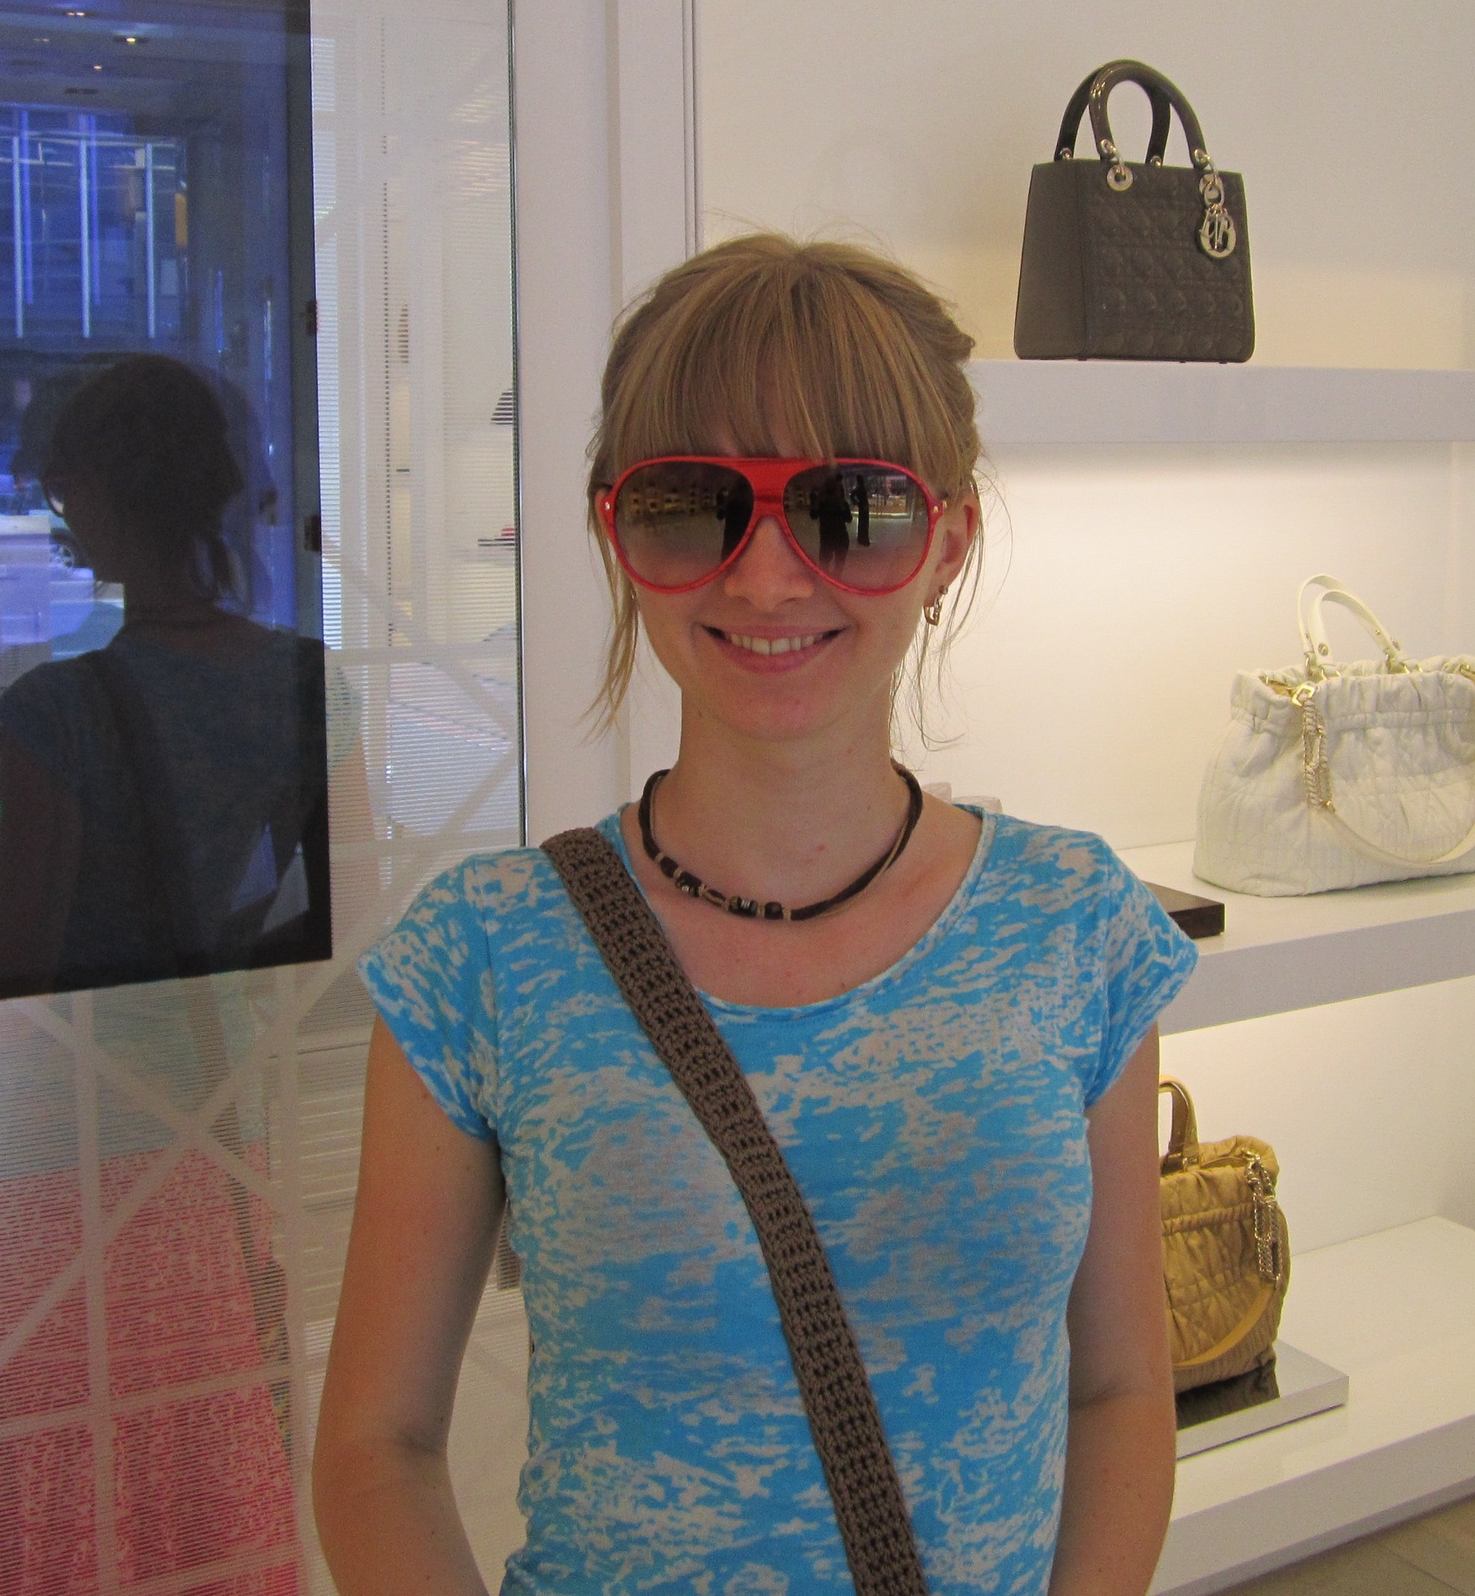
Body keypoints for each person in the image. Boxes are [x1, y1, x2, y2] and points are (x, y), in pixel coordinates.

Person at [315, 236, 1192, 1594]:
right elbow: (377, 1446)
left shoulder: (1076, 929)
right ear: (617, 535)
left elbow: (1123, 1385)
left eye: (850, 509)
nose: (768, 579)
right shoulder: (481, 957)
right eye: (693, 508)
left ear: (947, 543)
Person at [0, 354, 338, 1596]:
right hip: (210, 1137)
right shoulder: (304, 681)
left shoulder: (55, 711)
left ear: (106, 498)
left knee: (62, 1462)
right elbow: (341, 929)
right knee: (202, 1455)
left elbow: (2, 1010)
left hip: (52, 1160)